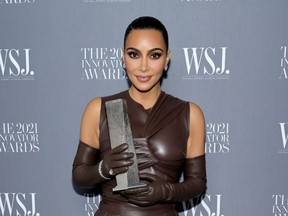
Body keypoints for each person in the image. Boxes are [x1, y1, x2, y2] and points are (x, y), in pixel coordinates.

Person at [72, 16, 207, 216]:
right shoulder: (98, 108)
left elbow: (197, 183)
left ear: (167, 58)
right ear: (123, 57)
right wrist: (104, 168)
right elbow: (79, 176)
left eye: (154, 55)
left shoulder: (189, 114)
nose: (143, 67)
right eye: (134, 54)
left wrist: (164, 191)